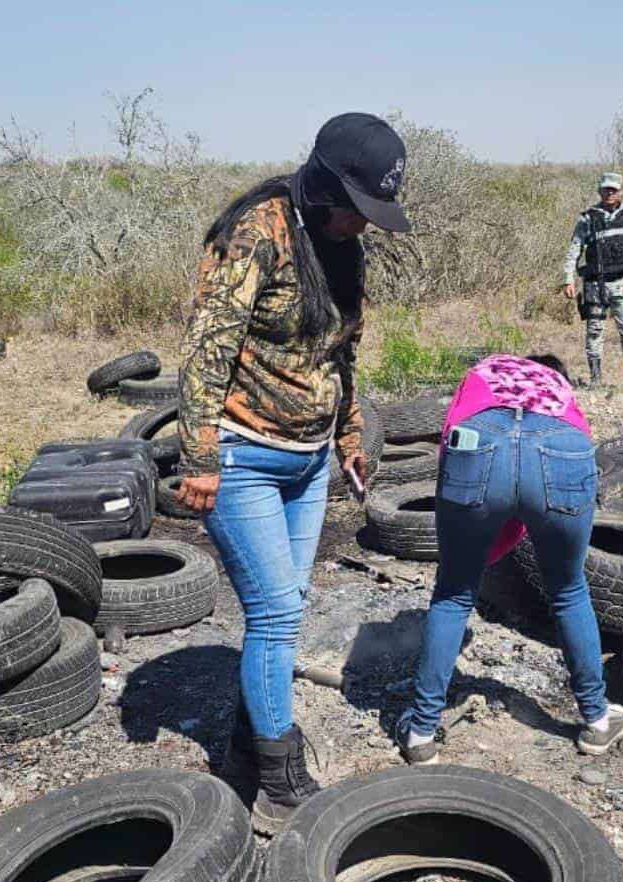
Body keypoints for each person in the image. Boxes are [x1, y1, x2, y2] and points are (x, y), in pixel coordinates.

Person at [176, 113, 410, 834]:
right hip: (244, 454)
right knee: (276, 612)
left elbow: (341, 354)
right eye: (356, 209)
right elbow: (207, 349)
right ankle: (279, 781)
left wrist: (349, 434)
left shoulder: (344, 250)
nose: (361, 226)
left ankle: (247, 754)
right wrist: (200, 455)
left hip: (309, 461)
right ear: (323, 186)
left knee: (288, 605)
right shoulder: (258, 232)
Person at [396, 353, 623, 765]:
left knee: (453, 593)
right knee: (569, 589)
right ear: (553, 370)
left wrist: (484, 543)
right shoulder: (558, 386)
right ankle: (595, 719)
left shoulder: (485, 369)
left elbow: (449, 442)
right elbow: (551, 464)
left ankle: (420, 733)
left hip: (478, 442)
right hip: (563, 446)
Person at [561, 173, 623, 390]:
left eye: (613, 189)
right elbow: (573, 251)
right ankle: (595, 379)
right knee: (594, 332)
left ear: (620, 191)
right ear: (599, 191)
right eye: (606, 189)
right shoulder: (587, 218)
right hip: (594, 286)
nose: (609, 193)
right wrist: (568, 280)